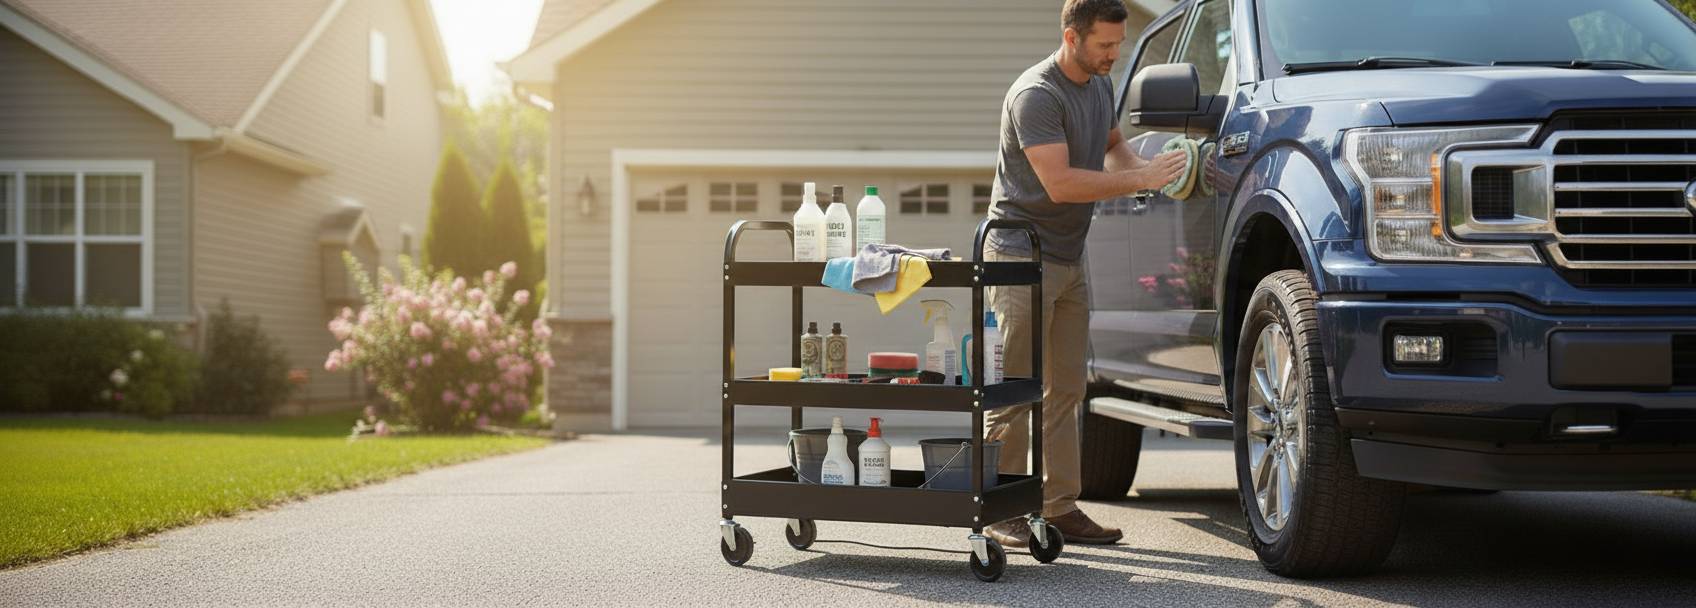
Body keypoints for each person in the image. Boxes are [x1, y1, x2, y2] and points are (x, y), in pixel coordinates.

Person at [983, 0, 1187, 548]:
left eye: (1118, 44)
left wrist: (1151, 174)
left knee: (1067, 388)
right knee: (1015, 388)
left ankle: (1057, 507)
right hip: (1019, 256)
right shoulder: (1037, 95)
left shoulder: (1098, 86)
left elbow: (1113, 147)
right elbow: (1062, 185)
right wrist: (1141, 179)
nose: (1114, 55)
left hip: (1069, 259)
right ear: (1071, 38)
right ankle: (999, 508)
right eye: (1104, 44)